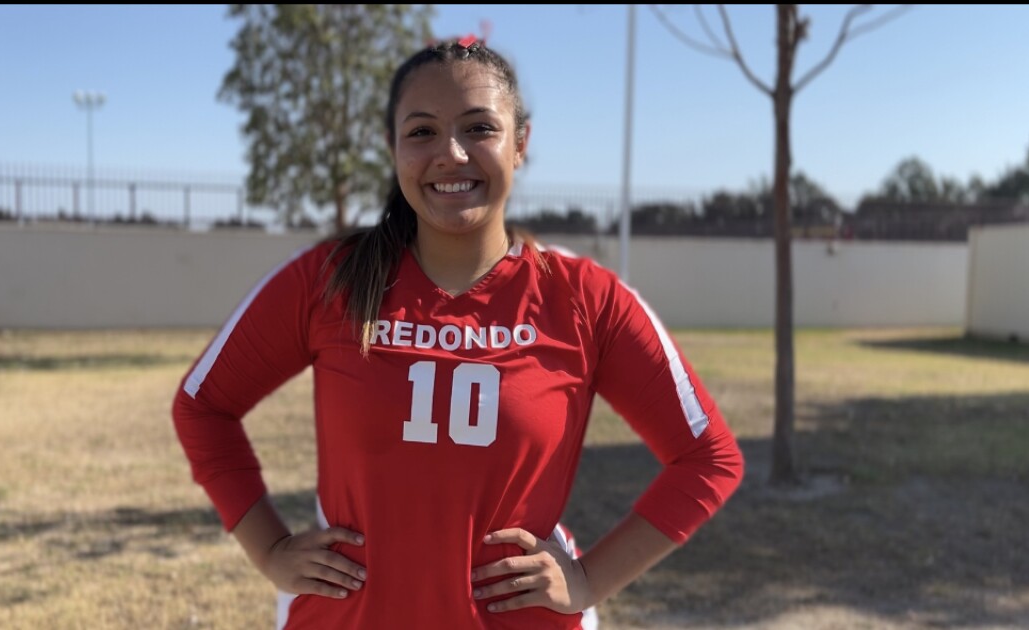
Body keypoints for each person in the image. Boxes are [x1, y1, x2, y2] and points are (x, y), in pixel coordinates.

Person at [172, 36, 744, 630]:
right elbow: (204, 405)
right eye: (421, 132)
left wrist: (589, 578)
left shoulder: (584, 299)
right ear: (392, 149)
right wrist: (267, 548)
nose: (450, 153)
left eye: (479, 128)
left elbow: (708, 456)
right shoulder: (329, 280)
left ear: (521, 143)